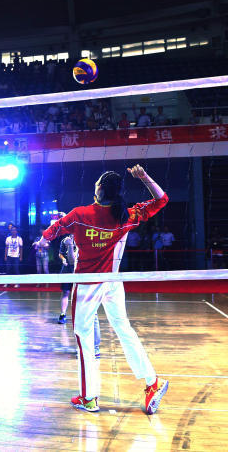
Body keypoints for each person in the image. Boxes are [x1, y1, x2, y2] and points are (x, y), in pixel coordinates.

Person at [34, 164, 169, 415]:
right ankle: (152, 382)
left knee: (83, 336)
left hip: (88, 284)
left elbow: (54, 230)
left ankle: (88, 397)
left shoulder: (80, 214)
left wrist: (42, 240)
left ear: (99, 190)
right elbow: (162, 200)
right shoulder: (125, 216)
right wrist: (144, 177)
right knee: (123, 329)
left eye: (97, 183)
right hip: (113, 281)